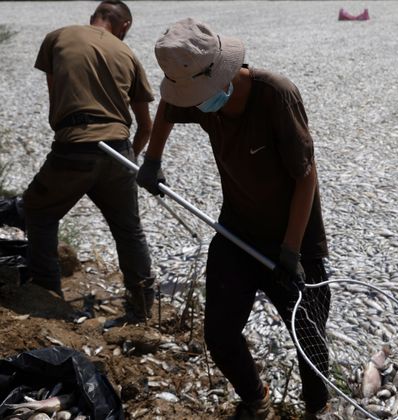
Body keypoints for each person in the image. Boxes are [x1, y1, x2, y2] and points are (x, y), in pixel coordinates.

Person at [137, 18, 332, 419]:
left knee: (308, 337)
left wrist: (291, 251)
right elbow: (168, 109)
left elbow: (306, 177)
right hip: (237, 230)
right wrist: (152, 160)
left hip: (293, 238)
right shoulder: (196, 97)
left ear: (220, 72)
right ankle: (255, 399)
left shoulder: (276, 95)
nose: (198, 102)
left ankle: (316, 409)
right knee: (220, 334)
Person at [23, 0, 156, 322]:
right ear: (123, 26)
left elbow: (56, 101)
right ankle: (141, 308)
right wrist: (129, 160)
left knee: (38, 212)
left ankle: (47, 295)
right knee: (128, 230)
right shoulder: (128, 55)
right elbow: (146, 125)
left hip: (73, 146)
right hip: (120, 150)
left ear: (94, 16)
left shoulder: (57, 37)